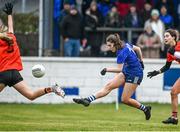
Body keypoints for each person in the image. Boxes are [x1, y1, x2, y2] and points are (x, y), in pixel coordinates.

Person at [73, 33, 152, 120]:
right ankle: (88, 100)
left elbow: (119, 70)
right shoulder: (125, 44)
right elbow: (138, 49)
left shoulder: (121, 53)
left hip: (136, 74)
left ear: (115, 43)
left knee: (124, 99)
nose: (109, 48)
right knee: (108, 86)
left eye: (110, 45)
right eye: (107, 45)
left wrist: (107, 69)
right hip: (127, 70)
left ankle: (145, 109)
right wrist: (141, 61)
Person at [0, 3, 65, 101]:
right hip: (14, 73)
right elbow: (11, 27)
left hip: (3, 73)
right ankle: (51, 88)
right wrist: (9, 14)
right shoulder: (12, 37)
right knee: (31, 95)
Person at [147, 29, 180, 125]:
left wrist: (174, 53)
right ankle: (174, 118)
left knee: (173, 92)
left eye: (167, 36)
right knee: (173, 92)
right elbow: (167, 66)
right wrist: (157, 72)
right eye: (164, 36)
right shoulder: (170, 51)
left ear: (173, 37)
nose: (165, 38)